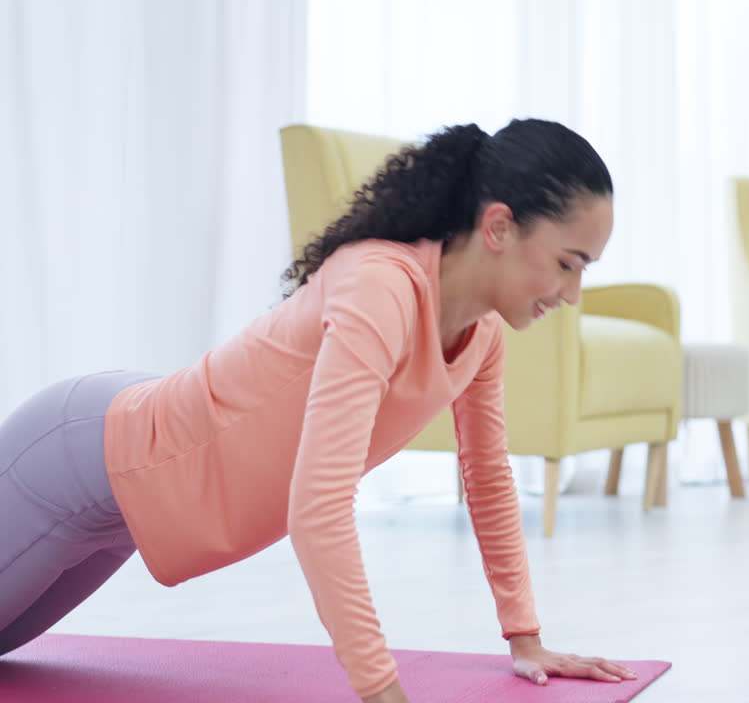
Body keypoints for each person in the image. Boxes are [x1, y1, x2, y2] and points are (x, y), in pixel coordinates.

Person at [0, 118, 638, 703]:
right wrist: (380, 689)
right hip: (82, 460)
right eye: (566, 264)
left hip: (128, 506)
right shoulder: (380, 287)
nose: (574, 294)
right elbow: (319, 504)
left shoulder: (482, 336)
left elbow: (490, 480)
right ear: (499, 227)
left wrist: (524, 636)